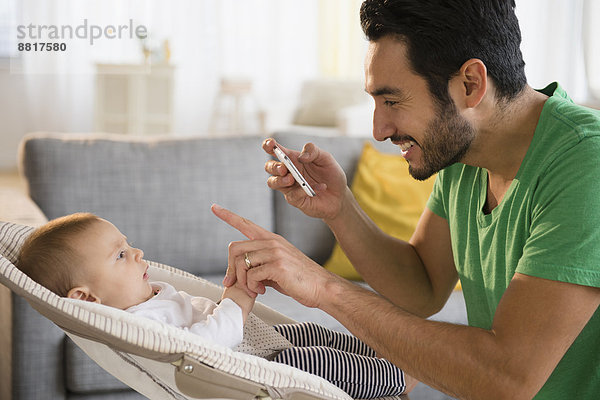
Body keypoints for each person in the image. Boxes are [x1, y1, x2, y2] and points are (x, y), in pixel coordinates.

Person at [212, 1, 600, 399]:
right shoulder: (464, 154)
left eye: (393, 101)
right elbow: (423, 286)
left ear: (471, 84)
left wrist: (323, 287)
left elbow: (505, 378)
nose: (379, 130)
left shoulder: (587, 164)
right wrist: (341, 208)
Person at [17, 212, 415, 398]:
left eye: (128, 243)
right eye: (120, 255)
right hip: (248, 364)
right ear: (86, 300)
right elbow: (204, 347)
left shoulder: (145, 295)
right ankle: (395, 378)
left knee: (307, 333)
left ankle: (385, 357)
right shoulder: (138, 326)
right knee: (310, 362)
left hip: (256, 340)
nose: (137, 253)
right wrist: (238, 298)